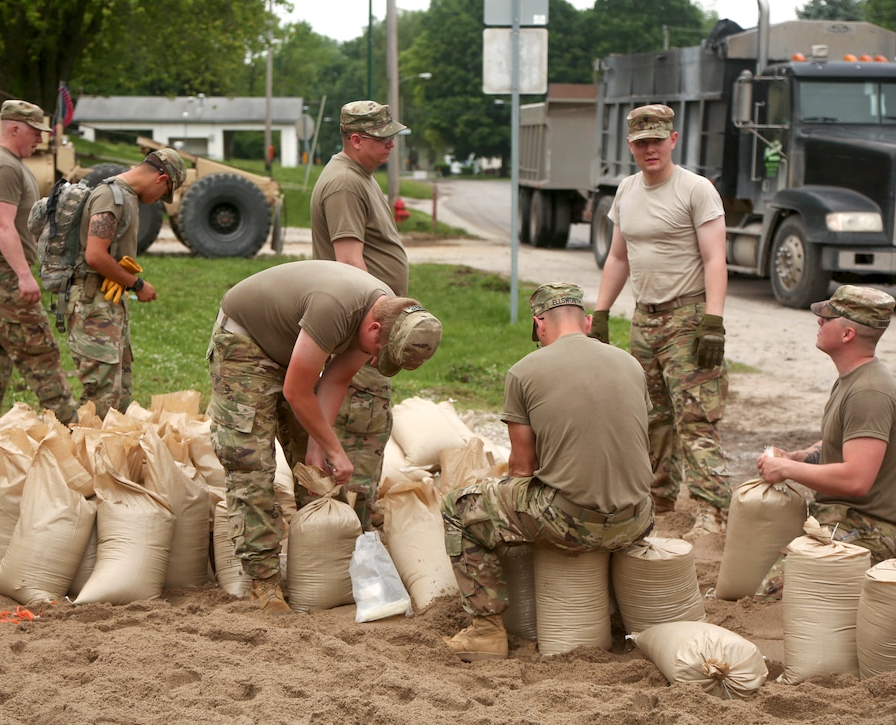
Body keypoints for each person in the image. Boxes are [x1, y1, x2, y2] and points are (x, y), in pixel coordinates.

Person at [207, 260, 443, 614]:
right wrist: (336, 449)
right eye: (379, 352)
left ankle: (319, 564)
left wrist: (320, 450)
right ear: (375, 328)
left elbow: (334, 380)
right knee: (250, 460)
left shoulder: (388, 314)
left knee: (313, 470)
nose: (376, 358)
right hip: (245, 344)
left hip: (294, 346)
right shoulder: (335, 308)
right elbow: (297, 390)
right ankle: (263, 580)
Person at [442, 283, 654, 661]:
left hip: (571, 523)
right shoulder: (631, 364)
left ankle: (485, 632)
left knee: (459, 508)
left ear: (540, 326)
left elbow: (523, 469)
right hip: (638, 518)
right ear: (587, 323)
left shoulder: (524, 371)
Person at [590, 103, 730, 541]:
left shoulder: (695, 190)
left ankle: (713, 514)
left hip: (687, 318)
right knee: (651, 416)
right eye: (641, 142)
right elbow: (618, 256)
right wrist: (600, 312)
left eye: (657, 140)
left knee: (695, 416)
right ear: (630, 146)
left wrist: (714, 320)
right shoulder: (627, 190)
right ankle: (660, 496)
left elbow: (715, 258)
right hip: (644, 319)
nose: (650, 149)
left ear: (673, 140)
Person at [754, 285, 896, 599]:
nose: (819, 321)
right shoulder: (855, 380)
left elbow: (856, 479)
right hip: (842, 519)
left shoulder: (869, 393)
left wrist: (785, 469)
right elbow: (839, 445)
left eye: (828, 317)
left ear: (848, 334)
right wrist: (799, 457)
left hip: (865, 531)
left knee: (771, 598)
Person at [309, 99, 408, 529]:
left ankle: (351, 526)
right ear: (355, 139)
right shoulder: (345, 184)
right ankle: (349, 531)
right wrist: (379, 325)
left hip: (370, 327)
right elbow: (350, 265)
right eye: (383, 138)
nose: (391, 145)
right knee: (359, 433)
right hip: (361, 329)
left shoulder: (362, 177)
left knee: (369, 430)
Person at [0, 100, 77, 444]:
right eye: (35, 132)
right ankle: (72, 436)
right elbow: (2, 225)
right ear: (14, 128)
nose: (40, 139)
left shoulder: (10, 164)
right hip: (1, 278)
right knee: (40, 353)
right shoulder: (4, 167)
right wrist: (24, 276)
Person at [66, 148, 186, 419]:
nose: (159, 200)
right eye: (164, 193)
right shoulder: (111, 197)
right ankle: (85, 456)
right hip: (92, 305)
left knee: (117, 396)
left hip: (106, 304)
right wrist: (137, 284)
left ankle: (107, 456)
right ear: (161, 178)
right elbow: (95, 255)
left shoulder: (125, 197)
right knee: (100, 398)